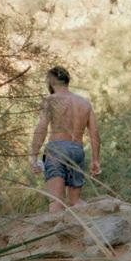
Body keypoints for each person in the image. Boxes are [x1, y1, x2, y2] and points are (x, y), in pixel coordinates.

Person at [29, 67, 100, 211]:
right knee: (75, 201)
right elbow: (95, 133)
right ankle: (91, 220)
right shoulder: (84, 103)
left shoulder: (50, 100)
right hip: (77, 150)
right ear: (67, 81)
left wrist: (33, 155)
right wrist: (95, 160)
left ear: (50, 81)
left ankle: (57, 225)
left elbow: (41, 128)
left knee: (56, 202)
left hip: (56, 151)